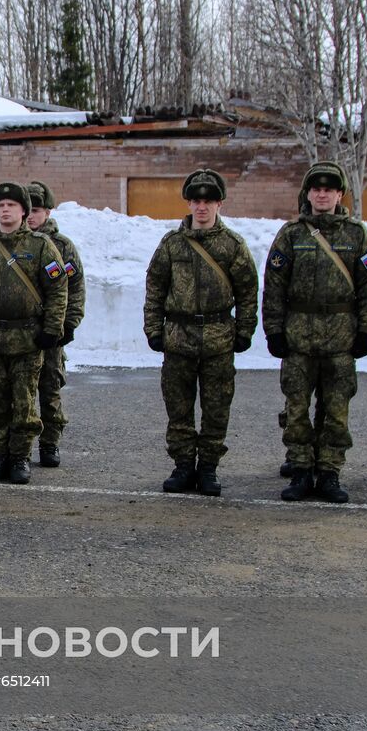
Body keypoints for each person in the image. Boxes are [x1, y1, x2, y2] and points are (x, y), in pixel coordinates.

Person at [262, 162, 367, 504]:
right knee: (296, 408)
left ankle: (329, 471)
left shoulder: (356, 235)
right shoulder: (291, 234)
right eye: (317, 189)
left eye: (329, 189)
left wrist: (366, 331)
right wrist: (274, 331)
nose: (323, 194)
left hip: (341, 338)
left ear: (340, 194)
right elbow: (274, 287)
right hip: (299, 337)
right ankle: (300, 469)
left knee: (336, 409)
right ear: (308, 194)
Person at [142, 169, 258, 496]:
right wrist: (153, 329)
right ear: (189, 203)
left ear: (220, 203)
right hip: (178, 337)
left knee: (216, 407)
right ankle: (182, 466)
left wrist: (244, 331)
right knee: (178, 408)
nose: (202, 207)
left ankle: (207, 468)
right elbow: (155, 287)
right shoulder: (172, 244)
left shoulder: (232, 245)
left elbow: (248, 291)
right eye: (196, 200)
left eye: (208, 201)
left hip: (219, 338)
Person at [0, 182, 68, 484]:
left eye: (12, 205)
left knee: (23, 402)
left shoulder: (41, 246)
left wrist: (52, 329)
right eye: (0, 205)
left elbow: (58, 289)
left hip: (27, 338)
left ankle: (20, 457)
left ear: (23, 211)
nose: (5, 210)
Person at [27, 180, 86, 468]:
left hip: (51, 332)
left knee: (49, 390)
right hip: (19, 332)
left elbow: (75, 288)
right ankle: (19, 445)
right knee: (18, 393)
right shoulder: (10, 241)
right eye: (27, 209)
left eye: (36, 210)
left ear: (48, 212)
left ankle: (49, 443)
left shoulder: (62, 246)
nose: (30, 216)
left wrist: (69, 324)